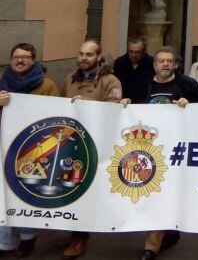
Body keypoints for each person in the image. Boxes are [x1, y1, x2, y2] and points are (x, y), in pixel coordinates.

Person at [120, 47, 198, 260]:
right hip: (149, 149)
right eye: (161, 61)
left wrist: (189, 106)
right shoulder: (142, 85)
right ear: (154, 65)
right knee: (155, 193)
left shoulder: (188, 85)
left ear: (175, 64)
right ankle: (154, 241)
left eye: (169, 61)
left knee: (171, 192)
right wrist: (125, 104)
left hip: (177, 148)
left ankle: (163, 234)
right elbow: (133, 111)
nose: (165, 64)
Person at [61, 40, 122, 259]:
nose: (84, 58)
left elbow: (114, 110)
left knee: (88, 188)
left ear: (98, 57)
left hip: (96, 143)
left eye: (89, 54)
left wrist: (86, 102)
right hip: (72, 141)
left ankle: (80, 236)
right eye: (81, 54)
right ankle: (74, 228)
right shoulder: (69, 79)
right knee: (71, 184)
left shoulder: (110, 81)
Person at [0, 43, 59, 257]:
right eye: (16, 56)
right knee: (2, 194)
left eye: (25, 57)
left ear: (34, 60)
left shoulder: (47, 85)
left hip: (34, 148)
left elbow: (56, 114)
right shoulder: (2, 82)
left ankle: (28, 237)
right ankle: (4, 242)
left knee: (27, 192)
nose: (20, 60)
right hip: (4, 146)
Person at [113, 37, 155, 104]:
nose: (133, 55)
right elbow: (114, 84)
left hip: (144, 103)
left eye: (137, 52)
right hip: (123, 103)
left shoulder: (152, 63)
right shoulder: (119, 62)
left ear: (144, 51)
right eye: (131, 51)